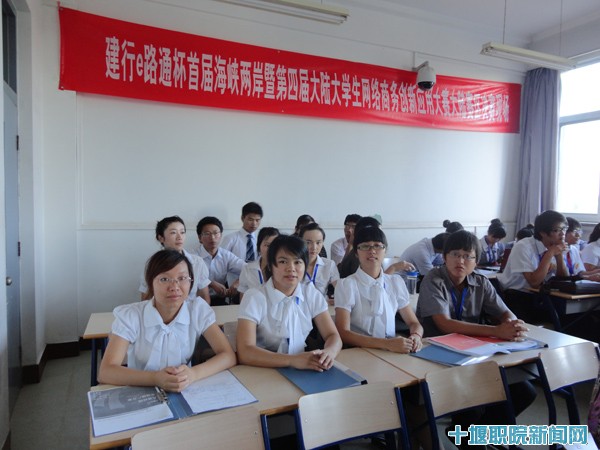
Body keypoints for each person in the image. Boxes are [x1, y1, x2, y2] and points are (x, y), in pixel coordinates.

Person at [417, 230, 536, 430]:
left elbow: (505, 313)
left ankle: (478, 435)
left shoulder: (481, 282)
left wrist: (512, 325)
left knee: (524, 391)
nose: (460, 261)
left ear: (476, 261)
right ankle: (465, 435)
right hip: (438, 354)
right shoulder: (434, 279)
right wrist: (496, 331)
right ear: (444, 257)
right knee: (473, 402)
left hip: (475, 352)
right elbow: (444, 324)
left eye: (468, 256)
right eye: (455, 254)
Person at [99, 250, 236, 391]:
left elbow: (228, 355)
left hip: (184, 389)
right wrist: (155, 378)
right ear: (150, 283)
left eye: (182, 278)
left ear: (191, 282)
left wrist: (193, 374)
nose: (175, 287)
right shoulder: (132, 315)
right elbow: (106, 372)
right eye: (164, 279)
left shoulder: (197, 310)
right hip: (140, 388)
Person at [236, 235, 342, 371]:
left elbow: (332, 335)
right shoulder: (254, 297)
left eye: (297, 262)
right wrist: (292, 360)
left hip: (302, 366)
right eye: (283, 261)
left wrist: (329, 353)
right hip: (263, 368)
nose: (291, 268)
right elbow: (245, 351)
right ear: (270, 266)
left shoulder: (310, 293)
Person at [497, 210, 599, 321]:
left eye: (564, 229)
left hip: (543, 296)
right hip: (517, 297)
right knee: (567, 319)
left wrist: (559, 256)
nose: (562, 234)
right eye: (557, 230)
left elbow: (563, 278)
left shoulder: (555, 246)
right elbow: (534, 282)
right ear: (543, 233)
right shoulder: (523, 247)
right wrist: (550, 253)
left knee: (583, 318)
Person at [334, 226, 423, 353]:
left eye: (377, 246)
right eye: (365, 246)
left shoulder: (395, 282)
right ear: (356, 253)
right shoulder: (347, 285)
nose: (372, 251)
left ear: (385, 250)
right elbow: (343, 333)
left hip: (392, 351)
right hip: (360, 352)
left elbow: (414, 323)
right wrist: (386, 344)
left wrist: (416, 336)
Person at [139, 216, 210, 303]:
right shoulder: (153, 264)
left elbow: (204, 297)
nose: (179, 237)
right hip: (163, 310)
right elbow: (146, 298)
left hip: (189, 310)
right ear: (161, 238)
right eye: (173, 233)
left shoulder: (197, 262)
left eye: (182, 232)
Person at [195, 216, 245, 305]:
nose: (212, 237)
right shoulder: (193, 256)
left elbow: (248, 270)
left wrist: (238, 282)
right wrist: (210, 283)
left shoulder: (226, 255)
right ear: (199, 238)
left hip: (219, 299)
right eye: (207, 234)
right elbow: (189, 276)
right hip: (198, 300)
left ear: (221, 235)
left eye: (216, 233)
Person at [299, 223, 339, 299]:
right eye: (308, 242)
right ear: (300, 242)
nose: (314, 247)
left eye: (318, 242)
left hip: (322, 304)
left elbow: (339, 289)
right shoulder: (294, 265)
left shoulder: (329, 264)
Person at [237, 227, 280, 299]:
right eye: (267, 245)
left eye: (275, 246)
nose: (271, 249)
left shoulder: (283, 269)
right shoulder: (248, 269)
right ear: (259, 246)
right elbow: (243, 295)